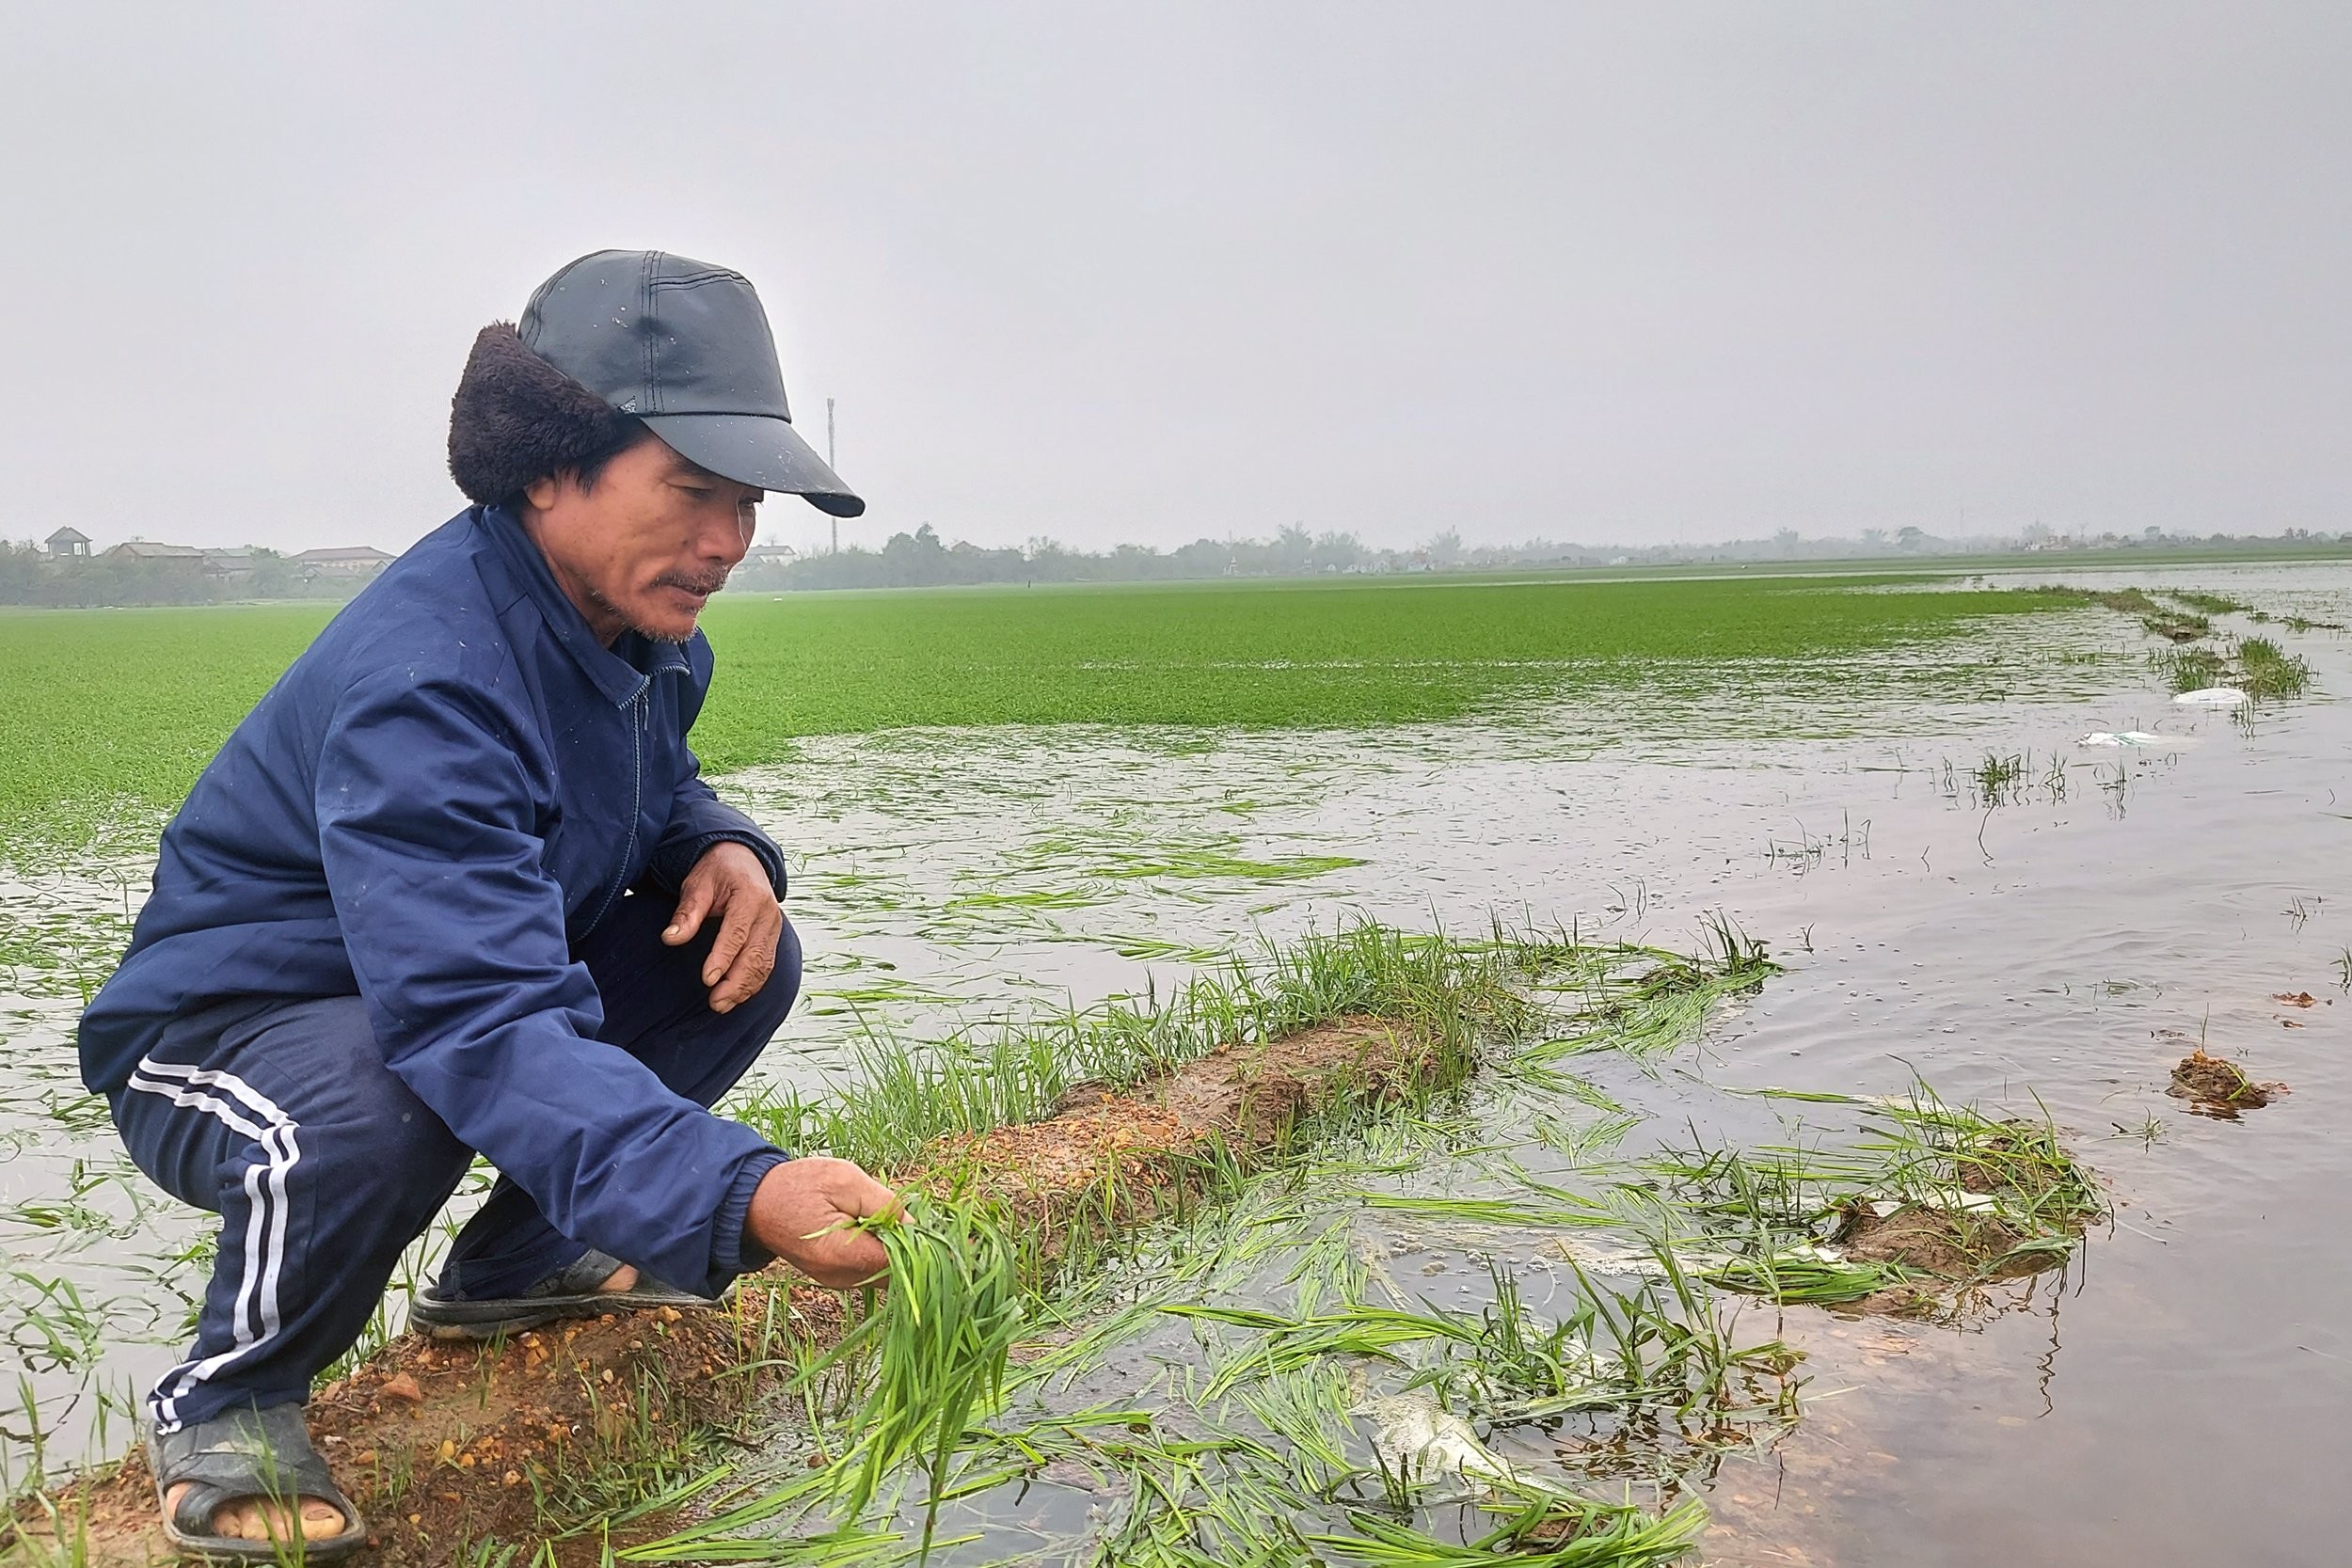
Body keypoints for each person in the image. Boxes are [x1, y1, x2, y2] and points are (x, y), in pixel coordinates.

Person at [77, 249, 898, 1560]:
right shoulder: (433, 682)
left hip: (413, 990)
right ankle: (227, 1394)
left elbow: (647, 780)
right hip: (228, 1031)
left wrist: (724, 844)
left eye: (747, 502)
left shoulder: (639, 632)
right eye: (693, 491)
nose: (730, 540)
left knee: (737, 951)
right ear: (544, 463)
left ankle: (515, 1268)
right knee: (390, 1089)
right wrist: (740, 1191)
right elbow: (474, 1022)